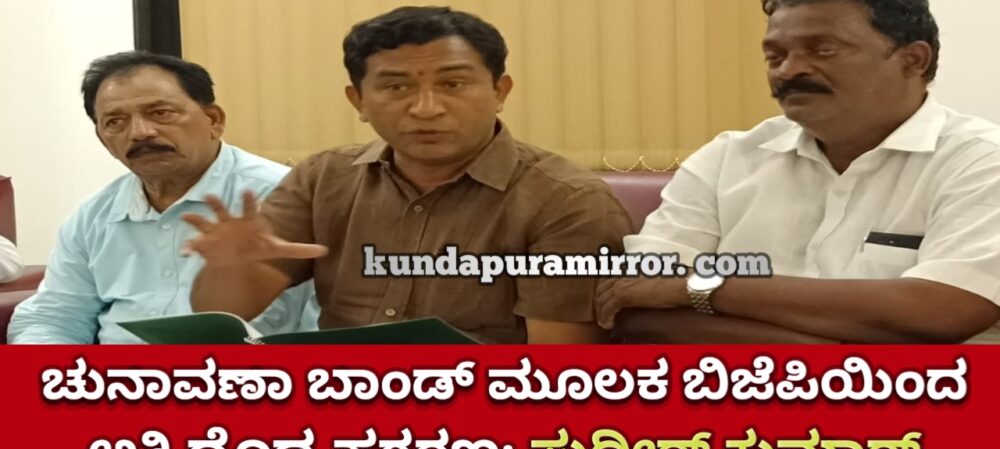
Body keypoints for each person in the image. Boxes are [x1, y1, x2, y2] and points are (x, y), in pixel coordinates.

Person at [183, 6, 632, 343]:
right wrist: (229, 267)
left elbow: (559, 371)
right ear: (359, 100)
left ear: (499, 91)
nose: (426, 108)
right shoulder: (324, 177)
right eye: (396, 87)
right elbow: (225, 309)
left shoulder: (567, 201)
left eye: (453, 84)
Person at [596, 0, 1000, 344]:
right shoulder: (727, 158)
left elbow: (946, 309)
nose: (788, 71)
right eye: (775, 56)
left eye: (823, 50)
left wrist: (702, 287)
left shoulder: (981, 161)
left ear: (913, 59)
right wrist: (849, 360)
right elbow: (637, 303)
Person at [8, 51, 314, 344]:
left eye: (160, 113)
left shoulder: (290, 198)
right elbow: (54, 318)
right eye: (115, 122)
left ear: (214, 120)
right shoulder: (93, 215)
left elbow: (325, 325)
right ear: (103, 139)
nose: (140, 133)